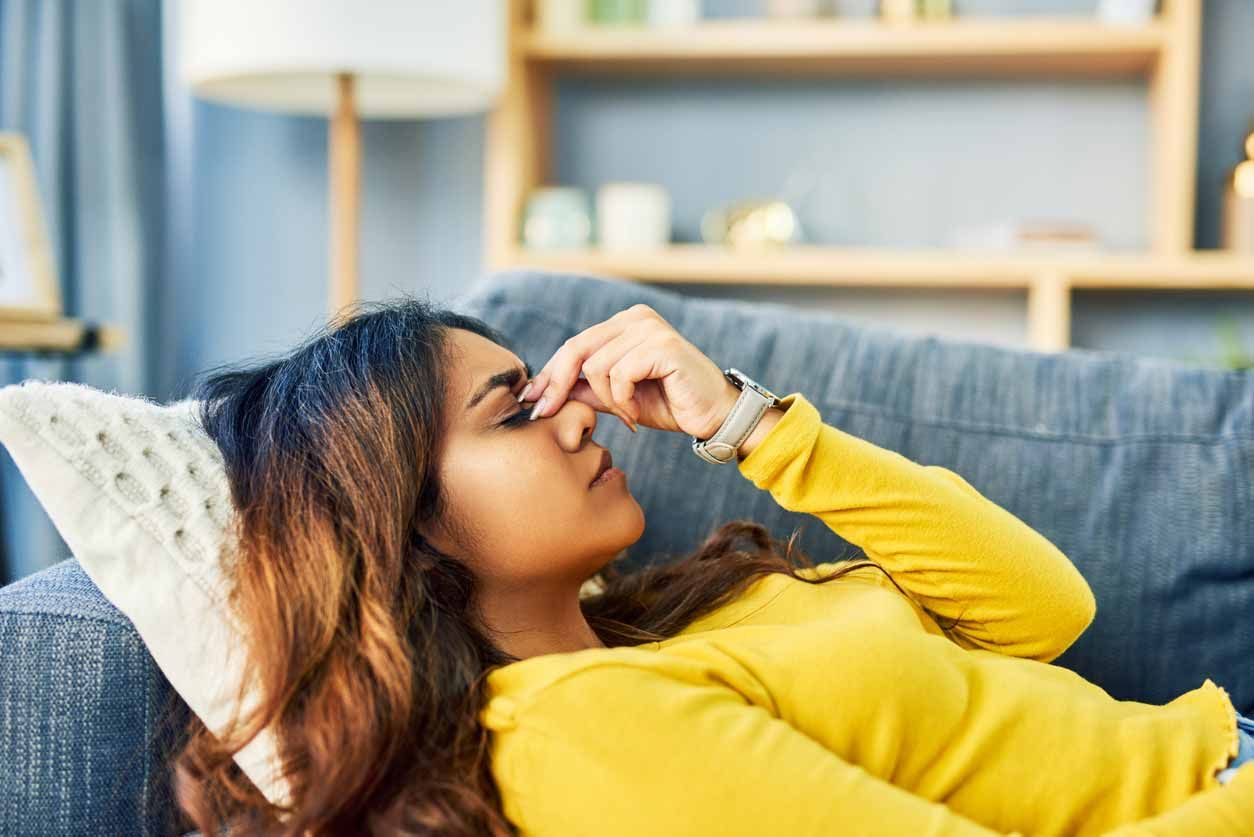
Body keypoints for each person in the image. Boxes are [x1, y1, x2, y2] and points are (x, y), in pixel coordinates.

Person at [172, 296, 1254, 836]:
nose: (579, 417)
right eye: (514, 413)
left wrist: (750, 424)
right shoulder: (567, 730)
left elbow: (1044, 612)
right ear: (399, 518)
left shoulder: (675, 620)